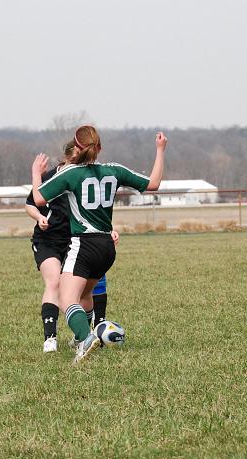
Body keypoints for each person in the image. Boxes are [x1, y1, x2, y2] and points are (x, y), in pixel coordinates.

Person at [31, 125, 167, 363]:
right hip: (107, 247)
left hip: (83, 244)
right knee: (85, 293)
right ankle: (83, 335)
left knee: (66, 298)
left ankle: (85, 338)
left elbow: (39, 198)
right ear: (100, 147)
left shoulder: (71, 173)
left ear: (76, 147)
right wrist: (160, 149)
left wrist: (35, 174)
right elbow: (153, 184)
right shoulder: (114, 170)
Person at [26, 142, 120, 353]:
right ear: (68, 158)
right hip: (48, 240)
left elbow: (95, 213)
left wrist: (107, 231)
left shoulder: (83, 176)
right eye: (78, 158)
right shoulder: (54, 176)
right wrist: (40, 216)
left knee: (85, 291)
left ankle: (84, 337)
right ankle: (50, 339)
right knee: (54, 283)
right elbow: (32, 203)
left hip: (75, 240)